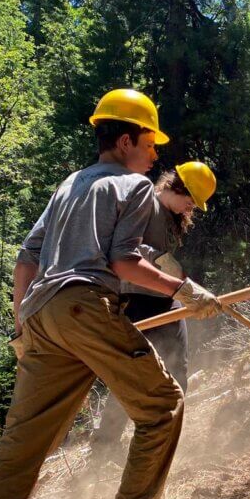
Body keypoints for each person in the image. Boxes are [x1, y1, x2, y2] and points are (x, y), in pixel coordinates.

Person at [0, 89, 221, 499]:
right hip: (84, 303)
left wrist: (21, 328)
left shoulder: (70, 184)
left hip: (42, 314)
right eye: (150, 143)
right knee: (162, 406)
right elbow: (122, 264)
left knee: (19, 449)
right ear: (125, 140)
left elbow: (26, 259)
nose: (156, 154)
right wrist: (185, 289)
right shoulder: (133, 185)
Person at [89, 162, 216, 469]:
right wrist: (161, 260)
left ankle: (167, 440)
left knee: (178, 371)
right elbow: (126, 248)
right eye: (190, 199)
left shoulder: (172, 218)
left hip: (165, 300)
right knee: (130, 374)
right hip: (135, 299)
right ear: (176, 187)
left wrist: (180, 282)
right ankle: (104, 449)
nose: (191, 207)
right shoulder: (144, 202)